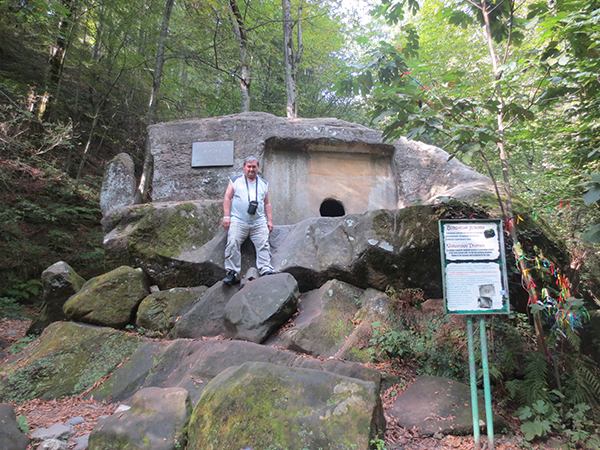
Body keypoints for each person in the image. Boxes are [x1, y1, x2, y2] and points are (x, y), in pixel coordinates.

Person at [221, 155, 276, 285]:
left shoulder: (263, 184)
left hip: (258, 221)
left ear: (258, 167)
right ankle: (232, 273)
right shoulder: (235, 181)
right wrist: (226, 216)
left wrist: (270, 220)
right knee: (233, 242)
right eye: (249, 167)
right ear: (244, 167)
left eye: (254, 167)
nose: (251, 169)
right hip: (238, 220)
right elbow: (227, 198)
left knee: (263, 243)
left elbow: (267, 203)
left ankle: (265, 269)